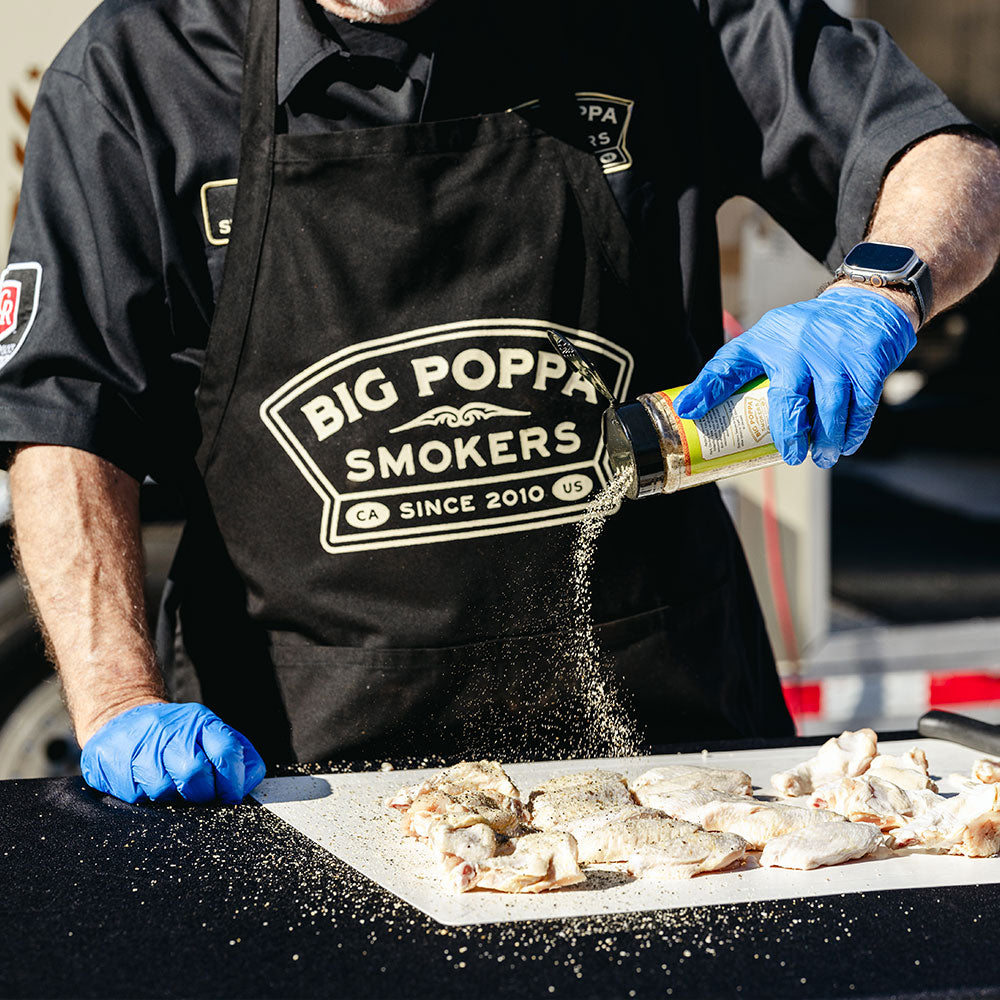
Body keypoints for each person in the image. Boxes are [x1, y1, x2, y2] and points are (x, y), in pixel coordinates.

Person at [3, 0, 999, 804]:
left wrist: (879, 291)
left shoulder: (656, 19)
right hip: (299, 777)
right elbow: (64, 411)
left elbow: (940, 155)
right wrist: (116, 701)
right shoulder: (141, 72)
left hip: (673, 763)